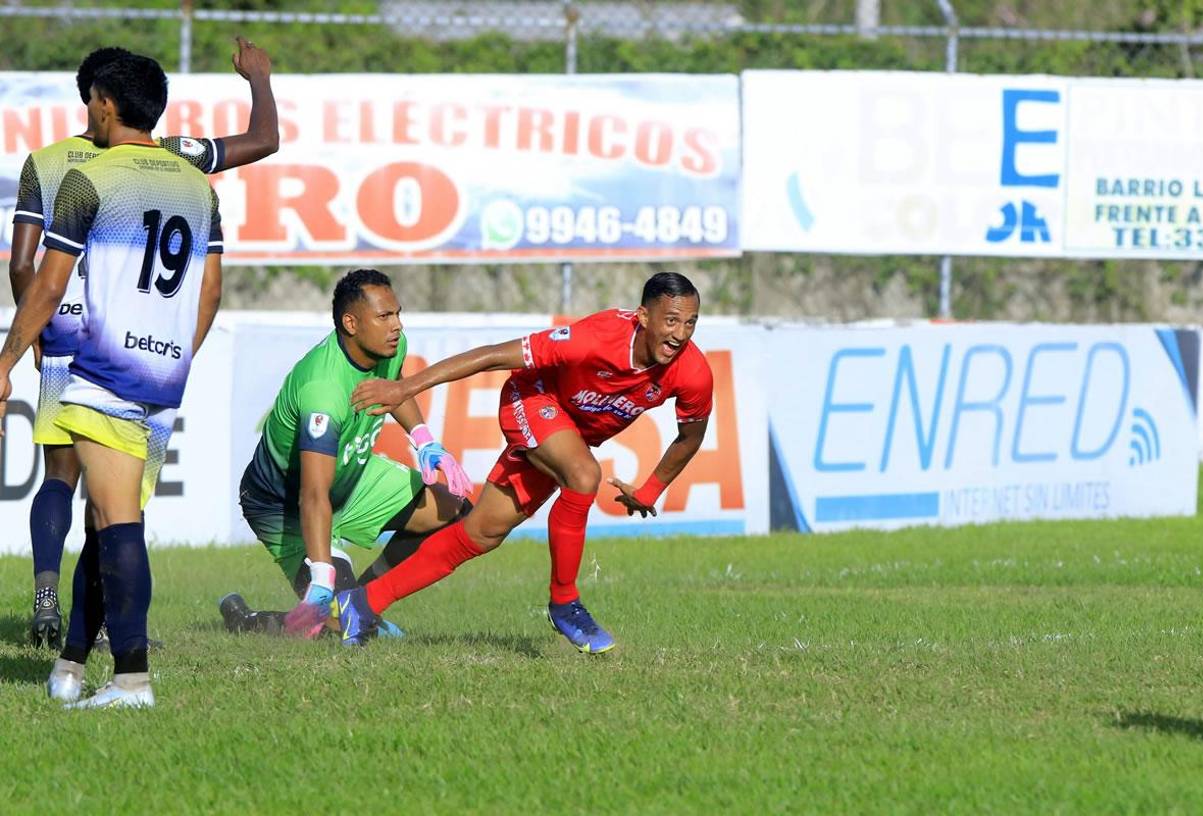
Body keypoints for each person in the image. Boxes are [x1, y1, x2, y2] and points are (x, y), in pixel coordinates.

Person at [10, 38, 279, 650]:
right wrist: (259, 80)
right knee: (119, 499)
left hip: (65, 333)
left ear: (96, 100)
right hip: (145, 346)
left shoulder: (47, 162)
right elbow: (262, 141)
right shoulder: (174, 156)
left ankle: (49, 599)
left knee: (62, 476)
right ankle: (105, 635)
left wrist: (38, 337)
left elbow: (23, 266)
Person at [338, 271, 714, 652]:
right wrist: (405, 387)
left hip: (569, 435)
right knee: (584, 475)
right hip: (532, 400)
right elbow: (491, 357)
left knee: (482, 532)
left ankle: (363, 602)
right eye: (671, 320)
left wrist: (650, 491)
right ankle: (564, 602)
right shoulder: (595, 338)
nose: (680, 334)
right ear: (644, 316)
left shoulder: (693, 372)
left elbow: (690, 437)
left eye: (690, 323)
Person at [220, 268, 472, 637]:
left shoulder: (389, 346)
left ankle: (365, 600)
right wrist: (323, 574)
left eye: (397, 313)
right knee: (336, 621)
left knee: (453, 507)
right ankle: (250, 622)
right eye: (385, 316)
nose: (397, 325)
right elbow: (312, 493)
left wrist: (424, 439)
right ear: (350, 323)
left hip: (350, 480)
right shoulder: (323, 388)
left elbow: (393, 389)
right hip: (286, 504)